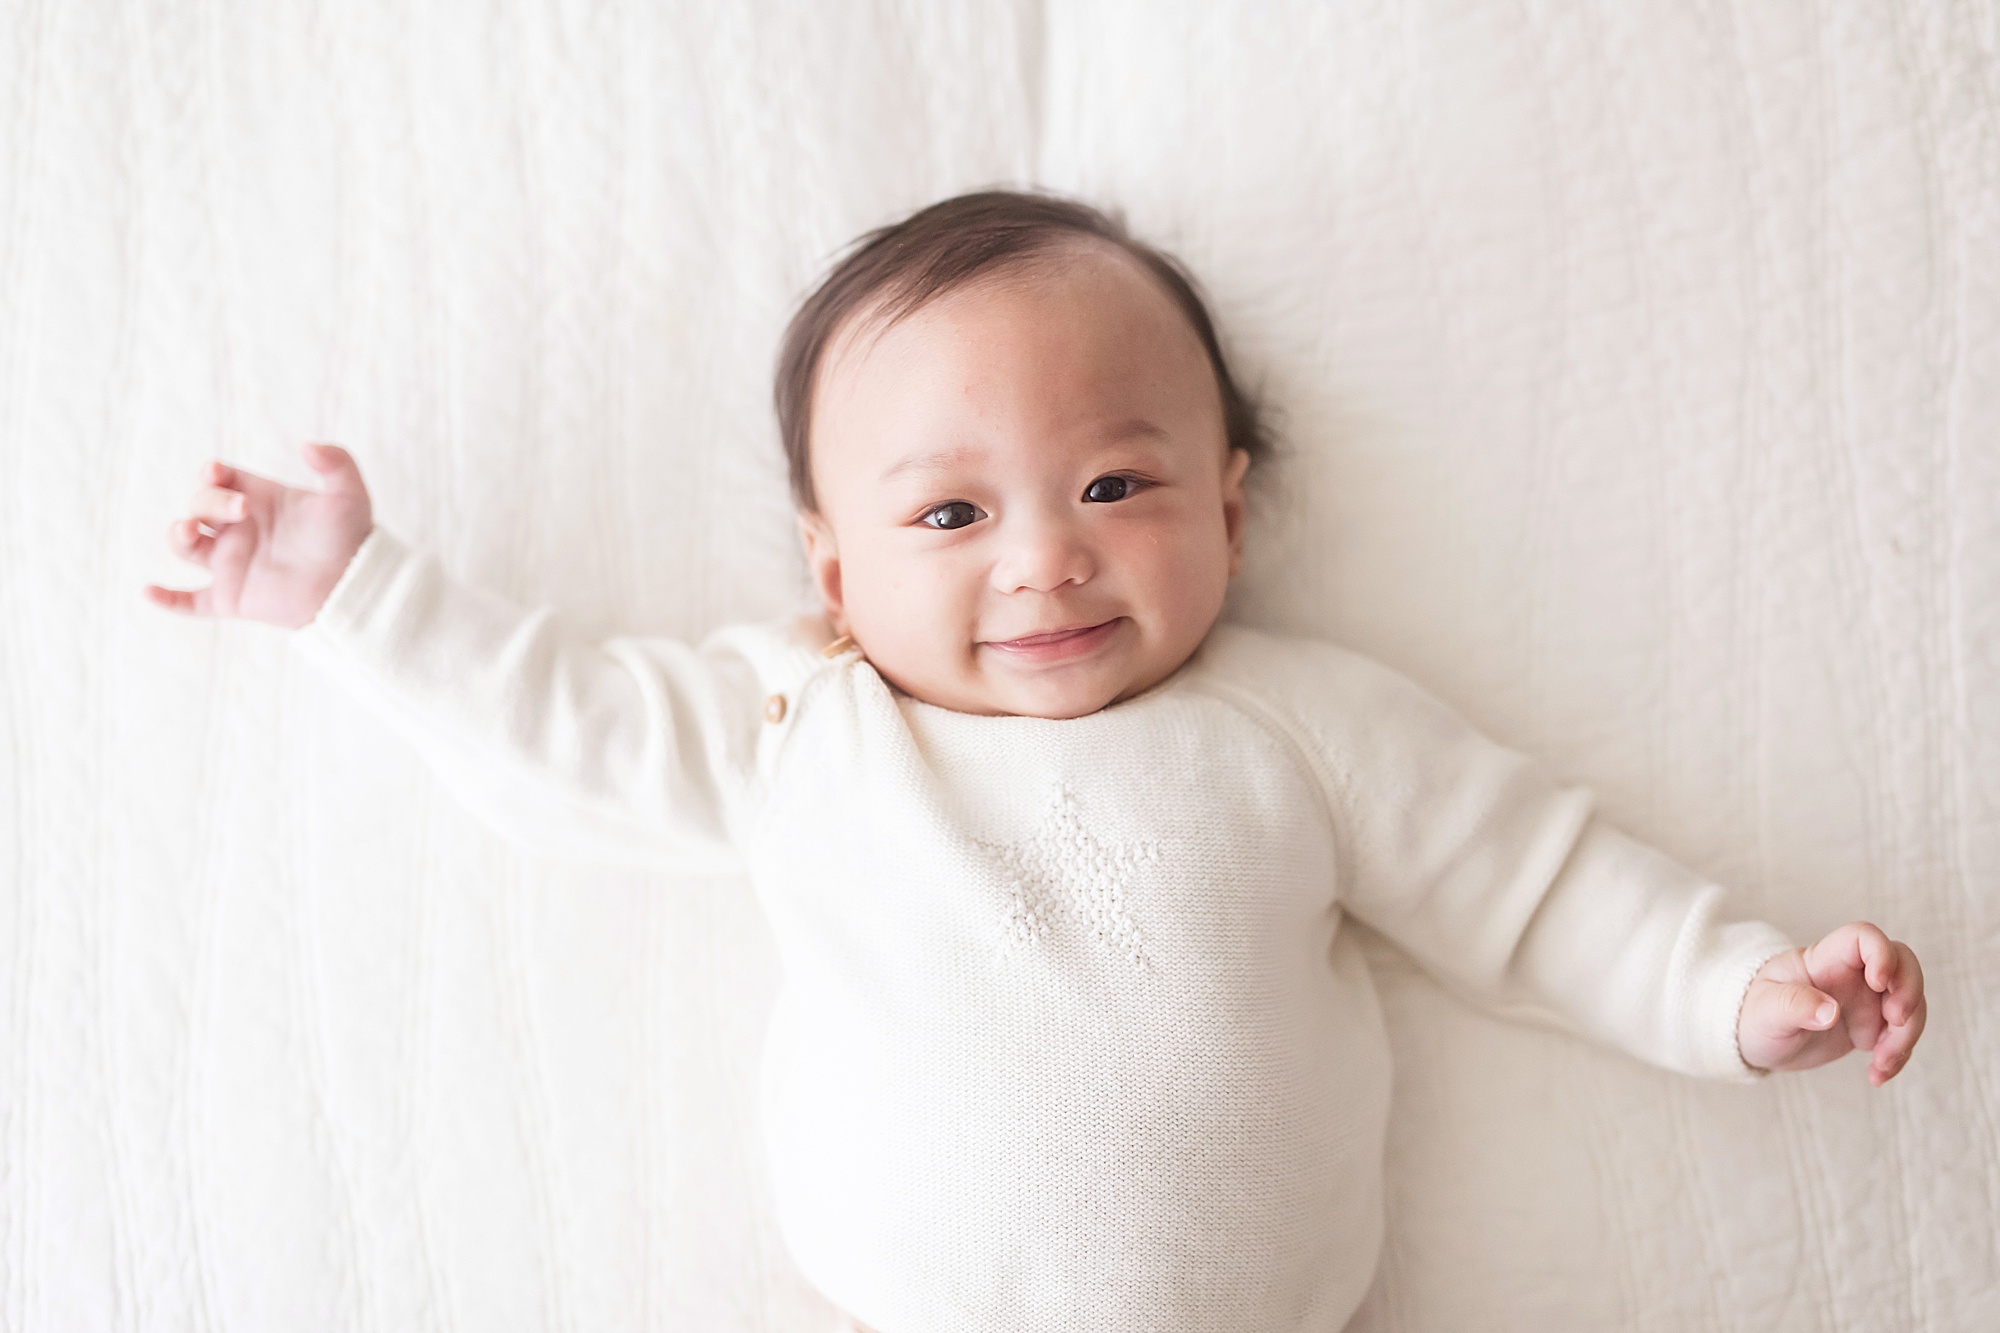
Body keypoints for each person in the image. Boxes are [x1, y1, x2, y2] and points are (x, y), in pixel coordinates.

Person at [144, 190, 1927, 1333]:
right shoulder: (806, 717)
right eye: (950, 511)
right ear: (836, 573)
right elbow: (565, 733)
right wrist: (348, 592)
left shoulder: (1301, 720)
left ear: (1231, 505)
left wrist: (1737, 988)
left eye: (1117, 484)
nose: (1043, 558)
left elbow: (1536, 887)